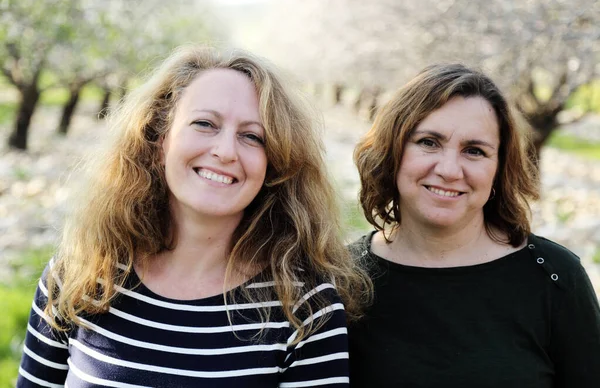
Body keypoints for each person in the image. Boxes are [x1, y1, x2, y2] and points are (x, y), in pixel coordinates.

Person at [18, 45, 370, 387]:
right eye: (204, 124)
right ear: (158, 142)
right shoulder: (79, 275)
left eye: (252, 137)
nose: (225, 151)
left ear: (274, 164)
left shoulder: (306, 306)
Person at [348, 63, 600, 387]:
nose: (450, 169)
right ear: (392, 150)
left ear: (499, 168)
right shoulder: (341, 282)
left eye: (474, 151)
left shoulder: (555, 278)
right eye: (428, 142)